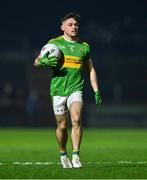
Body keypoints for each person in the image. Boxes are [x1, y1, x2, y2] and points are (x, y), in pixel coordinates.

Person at [34, 12, 102, 168]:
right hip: (58, 90)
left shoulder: (84, 47)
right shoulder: (54, 43)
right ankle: (63, 153)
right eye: (70, 24)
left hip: (76, 88)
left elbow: (91, 69)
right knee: (62, 126)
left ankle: (76, 155)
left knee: (77, 120)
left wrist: (96, 90)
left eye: (76, 24)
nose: (74, 27)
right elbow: (36, 61)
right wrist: (42, 61)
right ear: (62, 27)